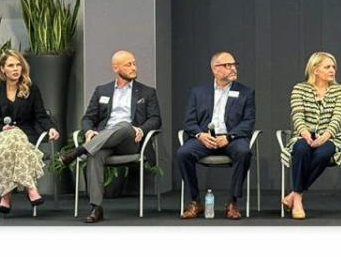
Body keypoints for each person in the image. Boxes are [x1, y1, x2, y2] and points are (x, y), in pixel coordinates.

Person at [58, 50, 161, 223]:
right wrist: (89, 131)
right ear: (116, 67)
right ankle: (96, 208)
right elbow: (88, 118)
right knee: (94, 155)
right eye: (128, 64)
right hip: (105, 142)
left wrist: (142, 129)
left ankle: (79, 151)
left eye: (134, 63)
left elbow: (156, 119)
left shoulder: (147, 92)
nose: (133, 67)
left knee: (123, 125)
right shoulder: (102, 91)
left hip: (131, 140)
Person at [176, 51, 257, 220]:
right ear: (214, 69)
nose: (232, 68)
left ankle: (232, 202)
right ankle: (195, 201)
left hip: (231, 138)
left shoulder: (246, 92)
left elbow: (248, 122)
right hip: (205, 138)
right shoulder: (198, 92)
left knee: (244, 152)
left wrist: (228, 137)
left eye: (234, 64)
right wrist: (200, 135)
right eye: (227, 65)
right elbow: (189, 122)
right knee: (183, 153)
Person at [0, 49, 59, 214]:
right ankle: (30, 188)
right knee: (13, 135)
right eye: (11, 65)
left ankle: (6, 196)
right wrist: (3, 128)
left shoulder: (32, 89)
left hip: (25, 136)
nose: (16, 69)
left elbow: (40, 115)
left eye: (18, 65)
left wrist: (51, 128)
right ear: (2, 69)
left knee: (16, 135)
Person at [280, 51, 341, 220]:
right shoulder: (299, 89)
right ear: (315, 69)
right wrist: (304, 133)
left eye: (334, 67)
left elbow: (338, 117)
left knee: (323, 152)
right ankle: (297, 199)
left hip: (331, 137)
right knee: (301, 149)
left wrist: (324, 137)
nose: (332, 70)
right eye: (327, 67)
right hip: (304, 135)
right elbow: (297, 115)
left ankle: (295, 196)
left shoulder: (340, 90)